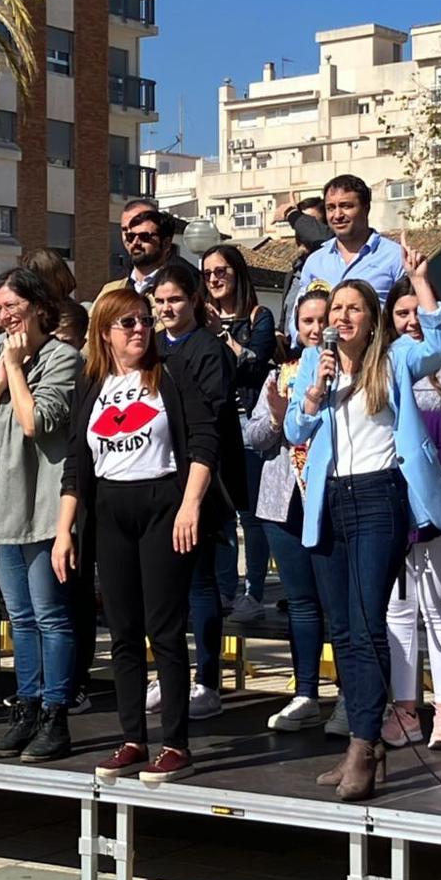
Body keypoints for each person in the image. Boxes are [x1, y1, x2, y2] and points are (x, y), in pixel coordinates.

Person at [283, 244, 441, 802]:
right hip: (330, 500)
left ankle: (364, 743)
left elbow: (438, 345)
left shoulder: (395, 357)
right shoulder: (317, 362)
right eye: (336, 312)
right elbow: (293, 431)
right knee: (344, 629)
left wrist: (420, 282)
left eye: (354, 309)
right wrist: (312, 395)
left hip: (380, 496)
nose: (342, 318)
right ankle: (361, 743)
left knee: (366, 621)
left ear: (371, 318)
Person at [56, 287, 221, 784]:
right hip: (110, 509)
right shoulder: (92, 383)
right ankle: (132, 738)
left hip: (162, 505)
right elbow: (76, 463)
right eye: (127, 323)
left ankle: (175, 743)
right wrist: (64, 529)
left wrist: (190, 504)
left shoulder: (169, 373)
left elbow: (204, 439)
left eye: (144, 321)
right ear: (104, 332)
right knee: (123, 631)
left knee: (164, 629)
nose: (140, 330)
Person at [0, 268, 81, 761]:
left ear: (38, 307)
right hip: (1, 505)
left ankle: (56, 714)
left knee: (50, 616)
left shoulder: (64, 358)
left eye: (12, 307)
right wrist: (2, 369)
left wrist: (13, 369)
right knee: (21, 617)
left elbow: (35, 422)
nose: (4, 316)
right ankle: (26, 707)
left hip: (43, 504)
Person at [383, 279, 441, 750]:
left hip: (440, 498)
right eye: (401, 313)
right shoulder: (382, 363)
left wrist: (416, 434)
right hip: (390, 498)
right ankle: (404, 708)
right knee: (398, 607)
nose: (411, 320)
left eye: (417, 310)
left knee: (437, 602)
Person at [148, 263, 243, 719]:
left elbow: (211, 416)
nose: (167, 308)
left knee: (200, 584)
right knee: (163, 589)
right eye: (161, 301)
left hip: (198, 482)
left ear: (194, 299)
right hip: (153, 479)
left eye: (175, 300)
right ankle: (169, 674)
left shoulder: (208, 350)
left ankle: (207, 680)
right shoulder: (148, 346)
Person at [245, 289, 337, 732]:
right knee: (301, 603)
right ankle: (304, 693)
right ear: (296, 328)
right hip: (284, 500)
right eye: (307, 321)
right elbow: (254, 436)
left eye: (323, 319)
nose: (316, 329)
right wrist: (279, 418)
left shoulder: (345, 372)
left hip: (332, 497)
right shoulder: (280, 375)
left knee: (337, 605)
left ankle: (349, 697)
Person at [202, 244, 278, 624]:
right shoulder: (201, 318)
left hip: (249, 422)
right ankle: (224, 590)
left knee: (250, 513)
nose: (214, 279)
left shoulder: (259, 316)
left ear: (237, 273)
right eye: (208, 273)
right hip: (214, 424)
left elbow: (253, 365)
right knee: (220, 514)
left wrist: (223, 336)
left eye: (222, 271)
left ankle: (254, 593)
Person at [287, 175, 407, 339]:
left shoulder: (396, 258)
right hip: (325, 360)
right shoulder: (315, 262)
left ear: (366, 208)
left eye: (346, 206)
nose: (337, 215)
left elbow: (411, 317)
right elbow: (298, 319)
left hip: (378, 359)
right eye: (330, 208)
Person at [277, 195, 333, 330]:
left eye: (308, 224)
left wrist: (291, 214)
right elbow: (286, 320)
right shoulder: (294, 273)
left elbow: (324, 238)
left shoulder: (333, 265)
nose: (303, 233)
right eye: (299, 227)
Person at [102, 204, 179, 298]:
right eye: (130, 236)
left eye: (144, 237)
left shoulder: (180, 289)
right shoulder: (111, 292)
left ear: (166, 243)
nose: (135, 242)